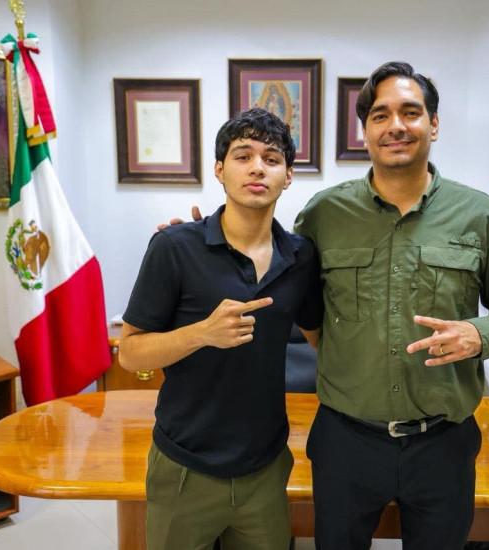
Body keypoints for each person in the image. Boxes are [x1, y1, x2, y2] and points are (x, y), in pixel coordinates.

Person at [174, 61, 489, 549]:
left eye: (410, 112)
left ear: (433, 124)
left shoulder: (479, 214)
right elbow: (277, 273)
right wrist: (201, 243)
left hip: (443, 442)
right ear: (365, 130)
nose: (395, 126)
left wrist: (480, 334)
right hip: (347, 442)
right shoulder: (325, 214)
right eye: (380, 115)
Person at [120, 108, 322, 550]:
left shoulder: (301, 256)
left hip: (265, 467)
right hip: (185, 466)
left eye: (272, 158)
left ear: (288, 176)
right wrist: (201, 333)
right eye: (243, 156)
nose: (257, 167)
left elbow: (320, 339)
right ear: (219, 169)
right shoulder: (175, 247)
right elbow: (129, 352)